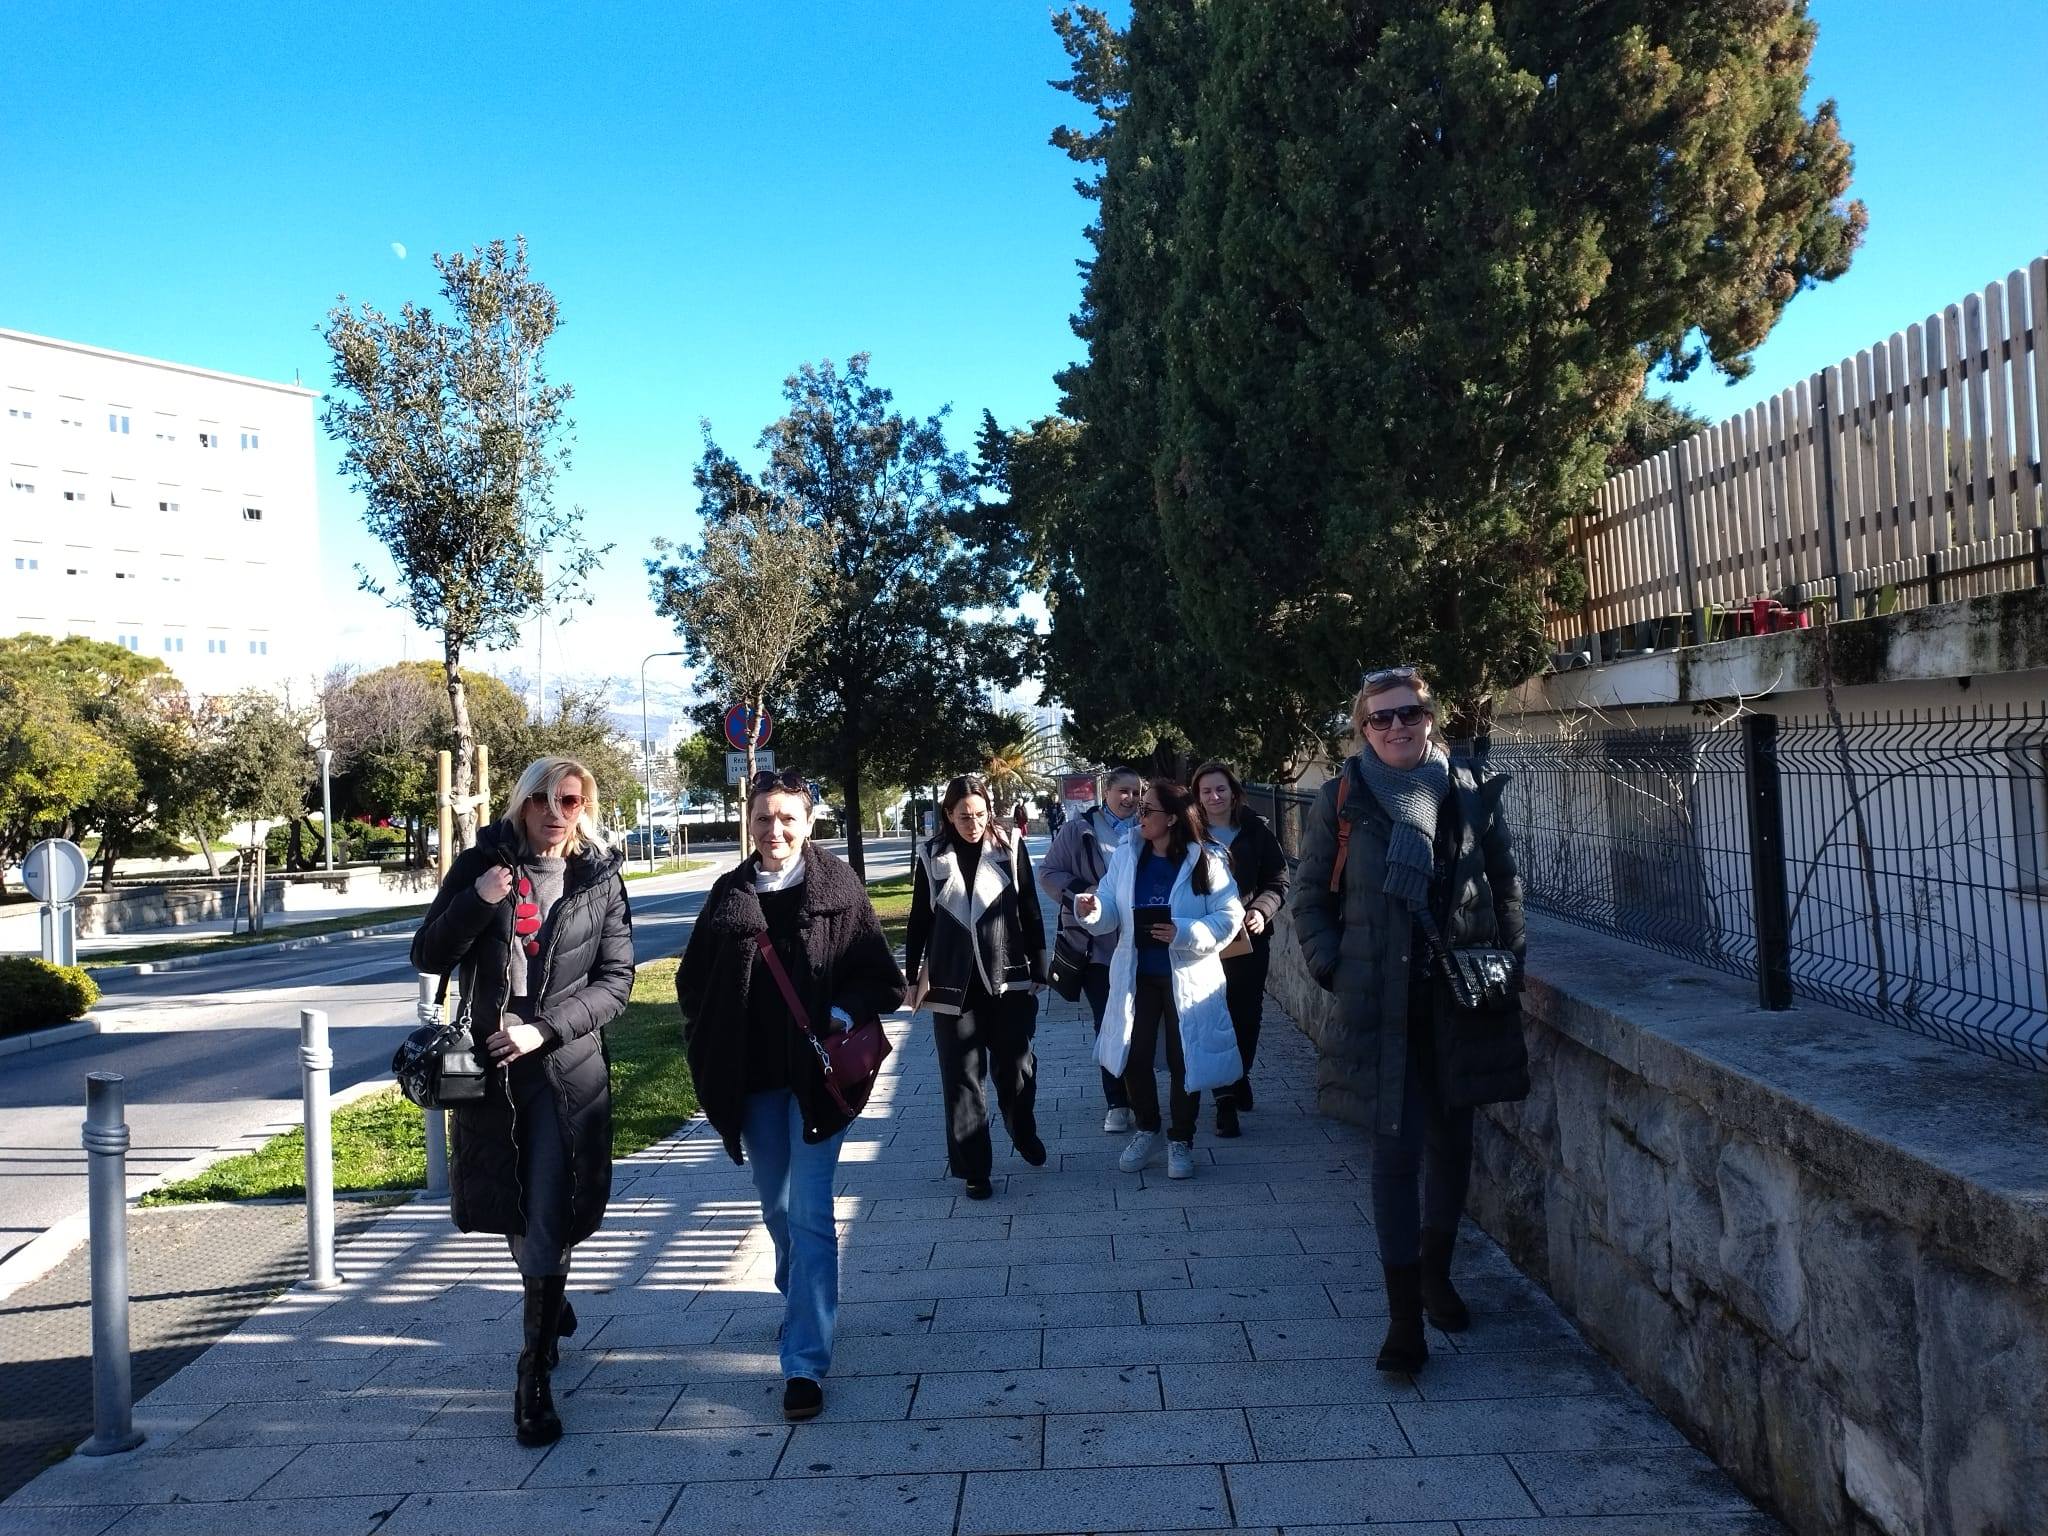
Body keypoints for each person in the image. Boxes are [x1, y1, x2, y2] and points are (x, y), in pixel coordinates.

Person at [1291, 665, 1528, 1375]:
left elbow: (1504, 882)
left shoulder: (1468, 791)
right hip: (1380, 1002)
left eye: (1409, 714)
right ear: (1363, 729)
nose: (1396, 727)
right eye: (1381, 717)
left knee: (1452, 1146)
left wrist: (1510, 958)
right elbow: (1310, 897)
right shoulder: (1342, 799)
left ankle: (1436, 1276)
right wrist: (1334, 967)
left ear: (1430, 718)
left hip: (1458, 998)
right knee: (1394, 1156)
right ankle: (1403, 1321)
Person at [409, 756, 634, 1447]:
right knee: (515, 1208)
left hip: (565, 1073)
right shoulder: (482, 865)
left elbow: (617, 982)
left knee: (550, 1209)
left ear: (583, 807)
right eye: (541, 799)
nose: (554, 813)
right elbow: (427, 954)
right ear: (521, 802)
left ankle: (532, 1373)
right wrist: (478, 900)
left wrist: (545, 1028)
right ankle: (551, 1299)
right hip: (491, 1076)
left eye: (569, 800)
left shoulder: (599, 878)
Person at [675, 767, 905, 1423]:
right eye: (762, 817)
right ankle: (801, 1292)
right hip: (752, 1083)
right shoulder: (729, 895)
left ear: (808, 822)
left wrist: (840, 1011)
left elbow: (881, 979)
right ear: (747, 822)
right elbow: (691, 985)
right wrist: (717, 1032)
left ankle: (805, 1362)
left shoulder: (839, 888)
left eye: (786, 818)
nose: (773, 829)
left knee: (810, 1214)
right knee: (775, 1209)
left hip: (817, 1082)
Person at [1074, 779, 1243, 1180]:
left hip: (1188, 974)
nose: (1140, 816)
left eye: (1148, 810)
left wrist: (1185, 931)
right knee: (1133, 1053)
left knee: (1186, 1058)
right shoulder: (1127, 854)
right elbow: (1110, 906)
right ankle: (1147, 1128)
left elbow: (1229, 915)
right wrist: (1093, 909)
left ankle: (1181, 1138)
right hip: (1137, 973)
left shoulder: (1206, 860)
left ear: (1171, 818)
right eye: (1140, 809)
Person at [903, 773, 1048, 1199]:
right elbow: (919, 919)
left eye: (981, 815)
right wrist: (911, 976)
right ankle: (974, 1169)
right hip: (953, 984)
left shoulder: (1010, 846)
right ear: (949, 814)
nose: (974, 823)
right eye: (964, 816)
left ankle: (1021, 1128)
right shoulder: (932, 855)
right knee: (961, 1078)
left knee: (1017, 1069)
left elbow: (1030, 907)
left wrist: (1040, 967)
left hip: (1007, 977)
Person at [1039, 767, 1147, 1131]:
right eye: (1123, 791)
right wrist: (1082, 893)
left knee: (1141, 1024)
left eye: (1136, 792)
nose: (1130, 798)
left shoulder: (1148, 829)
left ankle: (1140, 1096)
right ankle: (1117, 1102)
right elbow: (1049, 872)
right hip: (1095, 948)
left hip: (1139, 945)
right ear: (1107, 792)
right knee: (1108, 1021)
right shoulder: (1078, 830)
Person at [1193, 760, 1291, 1138]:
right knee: (1213, 1017)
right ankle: (1225, 1101)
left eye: (1221, 789)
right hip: (1202, 941)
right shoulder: (1189, 833)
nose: (1214, 796)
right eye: (1206, 791)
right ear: (1197, 796)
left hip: (1248, 940)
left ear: (1234, 792)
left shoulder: (1256, 830)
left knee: (1246, 1016)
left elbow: (1278, 880)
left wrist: (1262, 911)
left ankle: (1239, 1074)